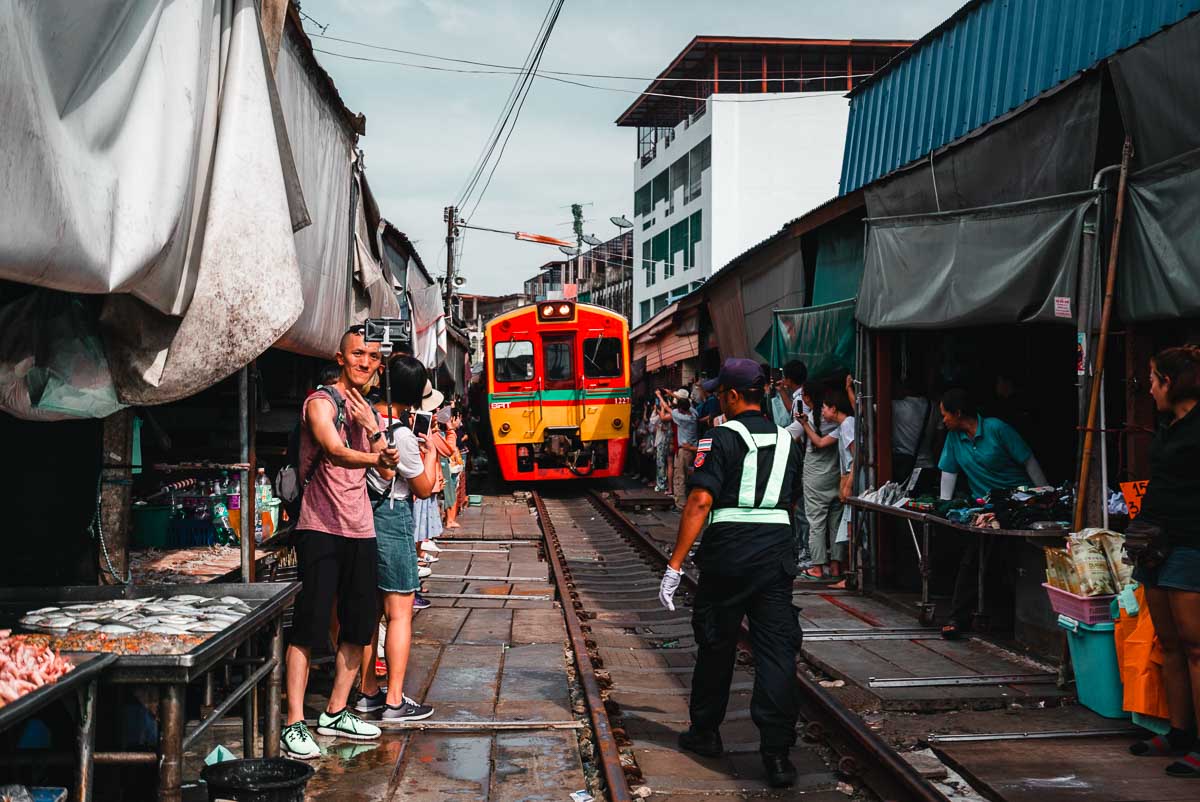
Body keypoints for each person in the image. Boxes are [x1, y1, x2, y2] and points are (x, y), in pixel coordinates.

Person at [658, 358, 802, 789]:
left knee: (716, 644)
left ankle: (705, 733)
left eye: (721, 392)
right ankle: (777, 755)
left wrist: (675, 564)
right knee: (777, 651)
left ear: (735, 396)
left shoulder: (718, 437)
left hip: (728, 555)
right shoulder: (788, 441)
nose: (718, 397)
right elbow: (790, 503)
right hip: (776, 554)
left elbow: (700, 501)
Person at [282, 327, 399, 760]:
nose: (365, 363)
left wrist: (375, 431)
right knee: (309, 626)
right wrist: (376, 453)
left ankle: (335, 710)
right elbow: (332, 450)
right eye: (357, 355)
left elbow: (387, 475)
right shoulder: (321, 402)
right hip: (320, 528)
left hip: (361, 529)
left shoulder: (371, 412)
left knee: (358, 625)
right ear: (339, 357)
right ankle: (294, 721)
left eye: (371, 356)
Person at [1127, 346, 1200, 776]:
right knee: (1169, 643)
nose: (1149, 387)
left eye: (1153, 378)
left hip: (1191, 543)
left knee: (1195, 647)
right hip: (1154, 544)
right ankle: (1179, 731)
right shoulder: (1168, 425)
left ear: (1170, 382)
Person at [355, 358, 441, 722]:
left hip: (360, 516)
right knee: (400, 611)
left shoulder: (360, 421)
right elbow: (422, 488)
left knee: (369, 612)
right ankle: (394, 700)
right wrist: (432, 454)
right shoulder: (401, 435)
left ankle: (366, 693)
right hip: (392, 518)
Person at [937, 387, 1047, 639]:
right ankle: (961, 615)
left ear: (958, 412)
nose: (942, 420)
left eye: (945, 415)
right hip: (985, 508)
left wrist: (1044, 494)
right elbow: (949, 471)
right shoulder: (954, 438)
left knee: (1007, 560)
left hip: (1017, 503)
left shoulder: (997, 429)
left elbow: (1027, 460)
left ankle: (984, 617)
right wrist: (943, 505)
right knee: (975, 557)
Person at [796, 382, 845, 580]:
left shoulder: (816, 418)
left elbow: (815, 441)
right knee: (835, 523)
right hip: (836, 476)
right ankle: (835, 567)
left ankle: (817, 567)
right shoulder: (841, 422)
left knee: (816, 522)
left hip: (815, 476)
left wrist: (805, 424)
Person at [778, 361, 810, 568]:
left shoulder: (802, 398)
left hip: (805, 455)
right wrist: (782, 392)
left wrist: (777, 436)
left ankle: (805, 553)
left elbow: (798, 426)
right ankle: (803, 550)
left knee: (802, 508)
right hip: (804, 454)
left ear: (789, 379)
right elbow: (794, 413)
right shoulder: (799, 397)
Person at [661, 388, 698, 509]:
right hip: (693, 449)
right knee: (688, 477)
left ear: (681, 409)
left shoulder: (682, 418)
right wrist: (672, 394)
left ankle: (680, 504)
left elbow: (667, 409)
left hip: (684, 450)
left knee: (680, 477)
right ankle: (689, 501)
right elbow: (686, 403)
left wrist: (659, 397)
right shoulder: (694, 414)